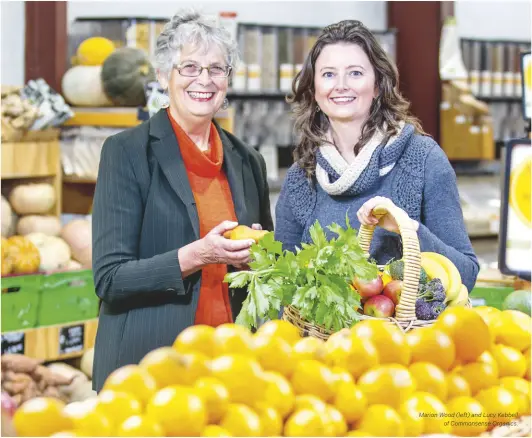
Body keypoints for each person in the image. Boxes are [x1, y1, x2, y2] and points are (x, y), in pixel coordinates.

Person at [91, 9, 273, 392]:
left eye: (216, 69)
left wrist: (259, 254)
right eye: (189, 67)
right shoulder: (126, 152)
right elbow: (110, 279)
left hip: (231, 367)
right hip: (150, 368)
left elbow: (266, 271)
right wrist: (199, 255)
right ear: (163, 75)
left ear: (227, 79)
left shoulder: (247, 160)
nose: (203, 80)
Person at [275, 20, 479, 293]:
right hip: (318, 336)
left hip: (403, 335)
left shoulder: (424, 160)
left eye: (356, 73)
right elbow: (281, 287)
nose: (341, 85)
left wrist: (409, 230)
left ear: (378, 86)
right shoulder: (302, 178)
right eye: (328, 74)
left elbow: (467, 275)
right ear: (314, 91)